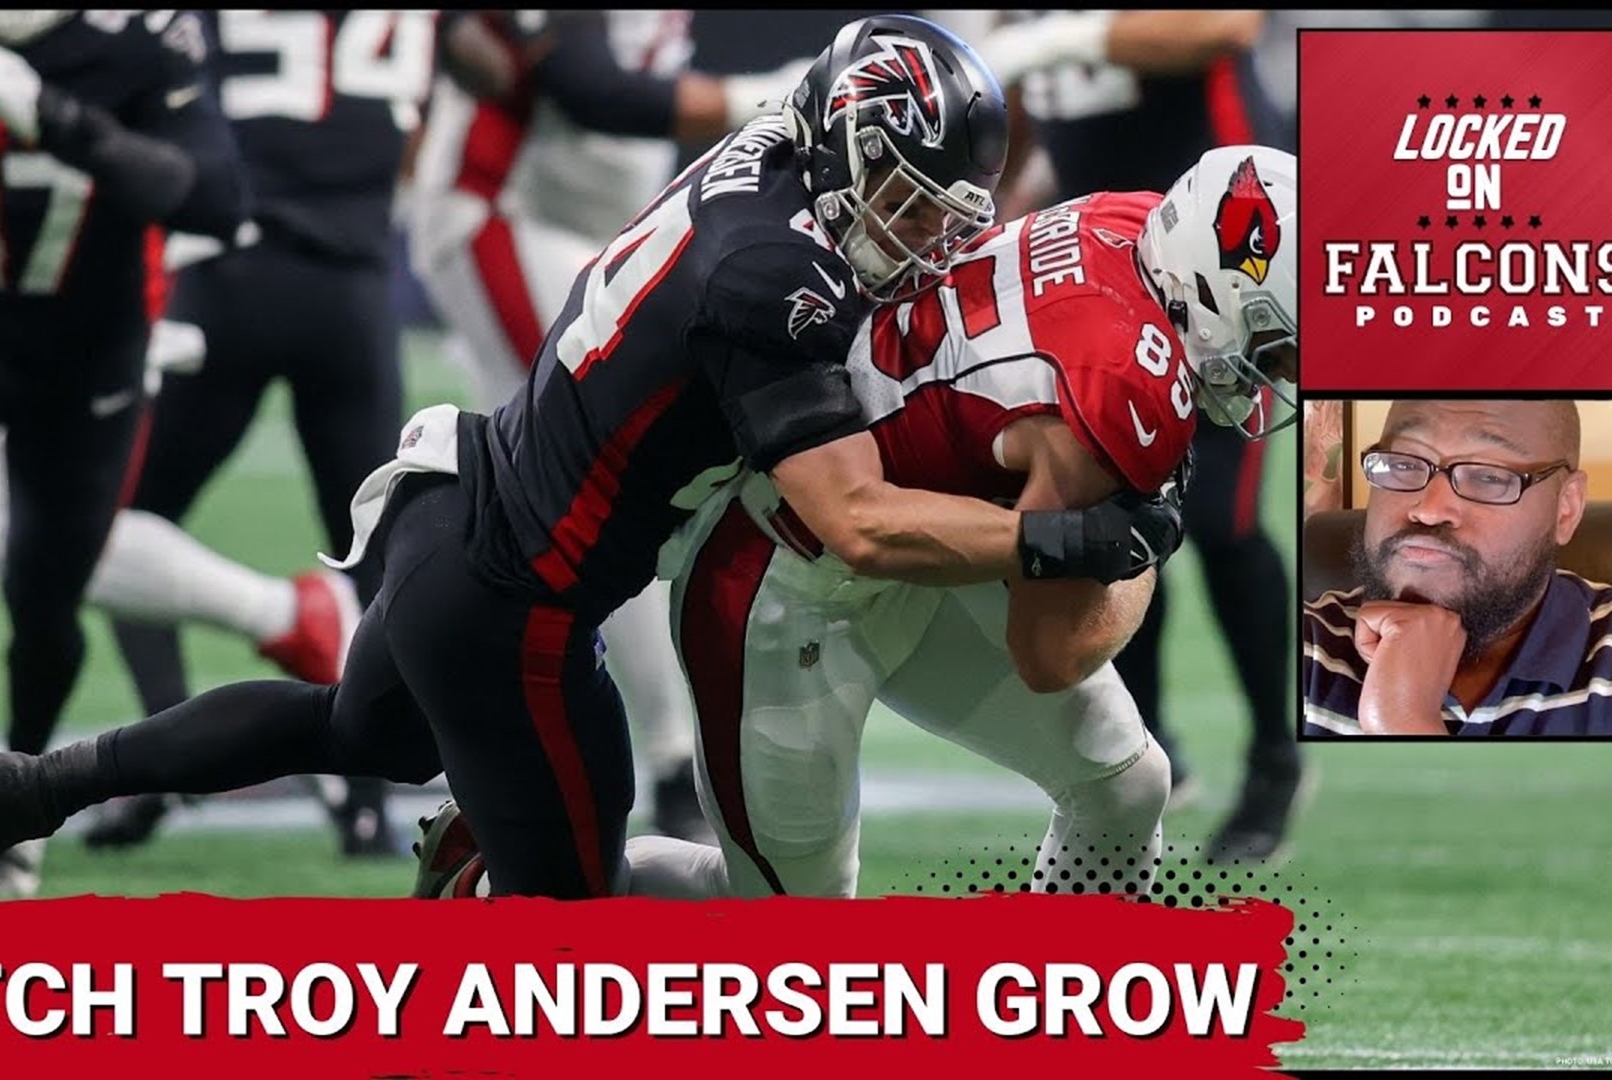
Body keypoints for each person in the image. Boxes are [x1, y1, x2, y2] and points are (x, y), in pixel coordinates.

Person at [0, 15, 1184, 902]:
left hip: (455, 504)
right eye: (909, 205)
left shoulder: (771, 164)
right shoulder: (773, 278)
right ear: (849, 153)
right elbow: (853, 522)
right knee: (574, 936)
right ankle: (478, 880)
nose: (920, 242)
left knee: (359, 730)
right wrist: (1047, 536)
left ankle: (33, 786)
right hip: (517, 609)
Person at [416, 145, 1300, 900]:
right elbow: (1051, 651)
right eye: (1278, 346)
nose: (1277, 376)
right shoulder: (1125, 383)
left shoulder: (1134, 223)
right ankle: (496, 876)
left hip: (916, 544)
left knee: (1125, 782)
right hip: (783, 580)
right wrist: (1146, 537)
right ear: (1217, 291)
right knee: (788, 925)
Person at [0, 10, 348, 884]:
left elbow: (216, 195)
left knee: (42, 610)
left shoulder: (140, 35)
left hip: (90, 361)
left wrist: (58, 118)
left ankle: (20, 803)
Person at [407, 9, 808, 842]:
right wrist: (769, 97)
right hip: (504, 212)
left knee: (591, 482)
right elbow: (594, 89)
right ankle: (666, 757)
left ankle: (466, 712)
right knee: (595, 476)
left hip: (605, 227)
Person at [953, 8, 1304, 863]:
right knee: (1112, 502)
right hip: (1103, 270)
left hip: (1222, 271)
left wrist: (1052, 41)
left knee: (1219, 520)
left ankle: (1274, 761)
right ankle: (1155, 746)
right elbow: (1026, 97)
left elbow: (1222, 25)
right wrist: (1001, 192)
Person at [92, 9, 439, 856]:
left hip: (229, 278)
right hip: (351, 293)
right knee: (368, 555)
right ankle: (364, 805)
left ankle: (164, 761)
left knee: (119, 526)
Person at [1302, 400, 1612, 737]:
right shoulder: (1300, 645)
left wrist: (1402, 722)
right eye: (1404, 464)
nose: (1429, 510)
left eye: (1489, 477)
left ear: (1565, 509)